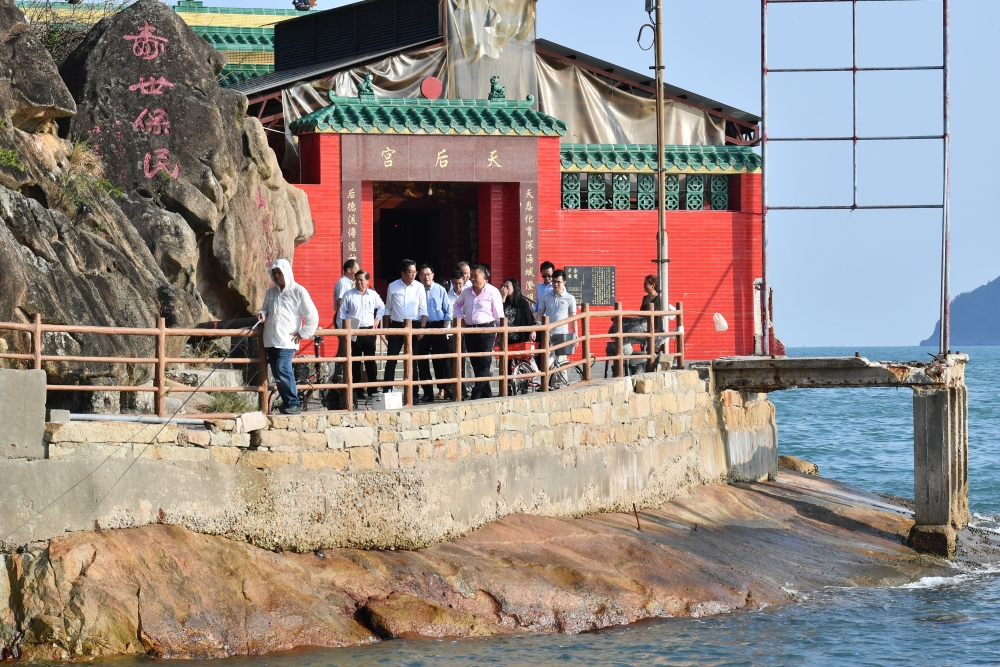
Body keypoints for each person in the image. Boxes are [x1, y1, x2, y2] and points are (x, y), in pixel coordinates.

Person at [257, 259, 319, 415]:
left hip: (287, 340)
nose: (277, 276)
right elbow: (265, 309)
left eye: (279, 273)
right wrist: (262, 314)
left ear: (287, 273)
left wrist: (303, 333)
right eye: (274, 273)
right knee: (277, 373)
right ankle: (287, 404)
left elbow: (313, 315)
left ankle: (293, 403)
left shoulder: (299, 291)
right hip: (270, 339)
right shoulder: (271, 292)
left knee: (282, 368)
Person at [453, 264, 503, 399]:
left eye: (475, 276)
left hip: (487, 331)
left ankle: (476, 393)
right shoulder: (466, 291)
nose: (472, 279)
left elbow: (499, 314)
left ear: (484, 277)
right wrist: (460, 318)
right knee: (476, 364)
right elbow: (457, 304)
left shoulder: (493, 291)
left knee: (485, 363)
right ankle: (487, 395)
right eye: (471, 276)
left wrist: (500, 332)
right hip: (470, 330)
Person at [337, 270, 384, 403]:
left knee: (370, 360)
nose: (358, 282)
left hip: (369, 331)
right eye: (356, 279)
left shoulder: (373, 295)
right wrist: (345, 330)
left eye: (361, 280)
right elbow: (342, 314)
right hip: (354, 331)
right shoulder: (349, 295)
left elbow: (382, 307)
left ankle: (372, 389)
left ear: (367, 281)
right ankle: (357, 390)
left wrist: (377, 319)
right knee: (355, 362)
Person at [382, 259, 427, 392]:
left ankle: (413, 393)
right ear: (402, 273)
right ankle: (387, 390)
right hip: (396, 326)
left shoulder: (419, 287)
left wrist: (422, 328)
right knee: (392, 360)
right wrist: (386, 330)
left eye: (414, 272)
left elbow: (423, 309)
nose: (413, 274)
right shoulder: (393, 286)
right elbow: (388, 309)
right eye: (410, 272)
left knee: (412, 361)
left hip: (414, 326)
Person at [417, 264, 453, 403]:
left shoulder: (440, 289)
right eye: (423, 274)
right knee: (422, 362)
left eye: (428, 274)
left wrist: (444, 327)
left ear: (433, 275)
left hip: (438, 327)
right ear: (419, 276)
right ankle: (427, 393)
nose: (426, 277)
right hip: (422, 328)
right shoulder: (417, 289)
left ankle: (447, 389)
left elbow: (448, 310)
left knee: (442, 361)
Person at [327, 258, 359, 406]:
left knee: (350, 346)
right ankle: (338, 375)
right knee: (344, 346)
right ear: (349, 270)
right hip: (343, 318)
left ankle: (345, 373)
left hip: (351, 318)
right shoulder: (343, 283)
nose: (358, 271)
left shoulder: (352, 283)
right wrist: (343, 318)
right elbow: (340, 301)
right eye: (356, 269)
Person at [536, 269, 578, 382]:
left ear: (564, 282)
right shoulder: (546, 297)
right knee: (547, 362)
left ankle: (562, 387)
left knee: (561, 363)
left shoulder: (570, 298)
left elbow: (573, 318)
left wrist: (576, 335)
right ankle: (549, 386)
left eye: (558, 282)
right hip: (548, 333)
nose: (555, 284)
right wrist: (536, 328)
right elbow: (540, 313)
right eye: (554, 281)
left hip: (562, 334)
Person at [500, 278, 536, 344]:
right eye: (504, 286)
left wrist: (533, 331)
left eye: (507, 286)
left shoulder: (523, 303)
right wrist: (503, 298)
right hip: (506, 338)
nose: (505, 289)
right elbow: (499, 315)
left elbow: (529, 318)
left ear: (514, 287)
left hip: (519, 337)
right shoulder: (503, 301)